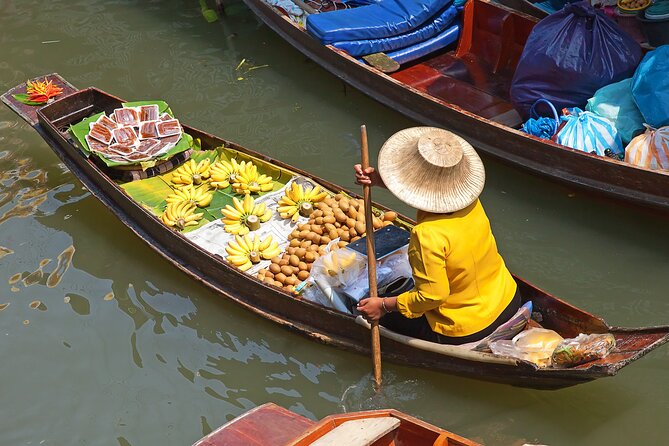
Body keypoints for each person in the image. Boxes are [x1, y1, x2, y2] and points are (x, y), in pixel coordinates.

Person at [354, 127, 521, 346]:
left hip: (468, 327)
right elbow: (432, 193)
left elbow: (433, 297)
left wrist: (383, 306)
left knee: (364, 306)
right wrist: (378, 180)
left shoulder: (427, 235)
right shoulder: (470, 202)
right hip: (508, 297)